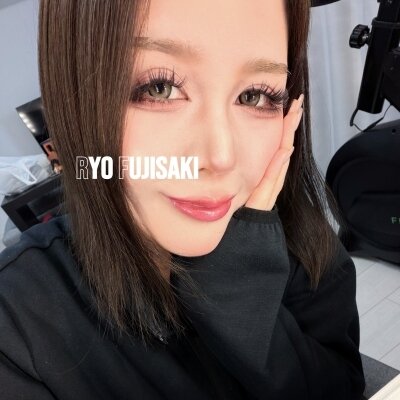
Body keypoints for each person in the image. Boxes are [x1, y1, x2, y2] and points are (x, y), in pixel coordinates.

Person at [0, 0, 366, 399]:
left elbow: (341, 387)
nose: (222, 157)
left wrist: (239, 286)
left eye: (255, 96)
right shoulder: (18, 322)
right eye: (159, 87)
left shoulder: (303, 240)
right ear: (73, 97)